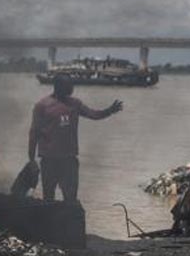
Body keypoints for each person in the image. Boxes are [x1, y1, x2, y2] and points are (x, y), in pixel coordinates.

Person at [28, 74, 123, 202]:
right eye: (68, 85)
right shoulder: (42, 106)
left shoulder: (75, 104)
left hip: (69, 160)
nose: (72, 88)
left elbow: (93, 114)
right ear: (58, 87)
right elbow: (34, 133)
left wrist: (109, 111)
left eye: (71, 85)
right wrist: (31, 159)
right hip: (49, 160)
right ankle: (50, 220)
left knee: (71, 199)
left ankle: (67, 220)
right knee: (48, 199)